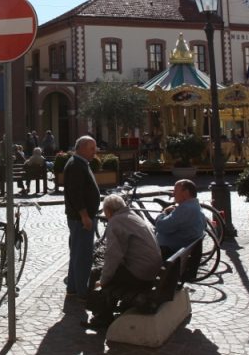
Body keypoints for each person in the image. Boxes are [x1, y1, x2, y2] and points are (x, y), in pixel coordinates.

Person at [84, 194, 162, 329]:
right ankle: (106, 311)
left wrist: (103, 280)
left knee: (96, 274)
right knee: (111, 272)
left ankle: (102, 317)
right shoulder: (133, 215)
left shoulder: (115, 222)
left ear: (108, 210)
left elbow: (113, 255)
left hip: (140, 274)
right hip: (152, 269)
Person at [64, 135, 101, 300]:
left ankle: (73, 287)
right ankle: (82, 291)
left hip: (80, 217)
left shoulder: (80, 163)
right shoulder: (76, 165)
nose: (95, 152)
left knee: (77, 254)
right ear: (82, 148)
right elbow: (76, 194)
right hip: (81, 219)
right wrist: (85, 216)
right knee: (83, 255)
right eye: (92, 148)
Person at [153, 179, 206, 259]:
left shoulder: (185, 209)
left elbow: (161, 226)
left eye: (175, 191)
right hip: (182, 249)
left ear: (185, 193)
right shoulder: (195, 206)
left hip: (169, 252)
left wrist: (164, 212)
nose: (173, 194)